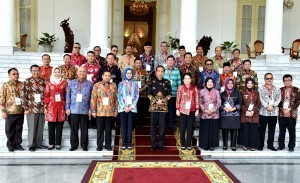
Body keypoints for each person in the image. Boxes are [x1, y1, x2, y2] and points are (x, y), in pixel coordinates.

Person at [66, 67, 93, 151]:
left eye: (84, 71)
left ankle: (84, 145)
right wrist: (67, 107)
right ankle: (74, 145)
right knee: (74, 128)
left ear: (86, 73)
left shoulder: (90, 84)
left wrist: (90, 109)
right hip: (73, 109)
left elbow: (92, 98)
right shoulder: (71, 83)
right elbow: (68, 96)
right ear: (77, 72)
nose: (82, 73)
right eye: (80, 71)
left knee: (84, 129)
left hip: (85, 110)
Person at [22, 65, 47, 152]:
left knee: (40, 127)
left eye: (37, 70)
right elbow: (23, 96)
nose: (36, 72)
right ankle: (31, 144)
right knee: (32, 127)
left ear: (40, 71)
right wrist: (25, 108)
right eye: (34, 71)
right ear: (31, 71)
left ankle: (39, 143)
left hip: (41, 108)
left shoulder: (43, 81)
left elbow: (46, 94)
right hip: (31, 108)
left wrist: (46, 106)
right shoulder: (27, 81)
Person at [91, 71, 118, 151]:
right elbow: (93, 98)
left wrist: (116, 110)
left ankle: (108, 145)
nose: (107, 77)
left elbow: (116, 99)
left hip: (110, 111)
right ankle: (99, 145)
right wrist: (93, 111)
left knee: (108, 130)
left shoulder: (113, 86)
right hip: (100, 111)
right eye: (105, 75)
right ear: (102, 76)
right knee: (100, 130)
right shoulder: (97, 85)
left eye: (109, 76)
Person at [148, 65, 172, 151]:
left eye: (162, 71)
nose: (160, 73)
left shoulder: (167, 82)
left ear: (164, 72)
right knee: (153, 126)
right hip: (153, 107)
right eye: (159, 71)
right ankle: (154, 144)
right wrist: (155, 101)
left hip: (163, 107)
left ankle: (161, 144)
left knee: (162, 126)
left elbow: (170, 94)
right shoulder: (152, 81)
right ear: (156, 72)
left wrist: (163, 101)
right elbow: (149, 94)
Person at [0, 68, 25, 152]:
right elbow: (2, 99)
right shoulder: (6, 85)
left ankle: (18, 144)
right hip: (10, 111)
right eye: (13, 74)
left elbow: (25, 97)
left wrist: (25, 108)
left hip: (20, 110)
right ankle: (10, 144)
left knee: (19, 129)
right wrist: (3, 111)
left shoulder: (22, 84)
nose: (16, 75)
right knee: (9, 129)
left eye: (17, 74)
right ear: (9, 75)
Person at [44, 68, 68, 150]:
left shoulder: (64, 82)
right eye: (55, 72)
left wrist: (66, 106)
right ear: (53, 73)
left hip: (61, 106)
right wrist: (45, 106)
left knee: (59, 126)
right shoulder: (49, 82)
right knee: (51, 126)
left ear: (61, 73)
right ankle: (51, 143)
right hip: (51, 107)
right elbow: (46, 94)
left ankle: (58, 143)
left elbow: (66, 94)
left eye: (58, 72)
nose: (57, 73)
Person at [176, 73, 199, 150]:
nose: (187, 80)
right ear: (183, 80)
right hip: (182, 110)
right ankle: (182, 143)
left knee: (190, 128)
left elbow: (196, 99)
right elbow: (178, 99)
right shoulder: (180, 88)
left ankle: (188, 144)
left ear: (191, 79)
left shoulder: (194, 88)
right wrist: (177, 109)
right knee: (182, 128)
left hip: (192, 110)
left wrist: (197, 109)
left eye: (189, 78)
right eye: (185, 78)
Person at [258, 73, 281, 151]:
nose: (269, 80)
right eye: (267, 78)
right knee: (262, 129)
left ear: (272, 79)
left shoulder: (277, 89)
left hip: (273, 113)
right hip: (263, 112)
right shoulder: (260, 88)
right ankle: (261, 144)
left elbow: (279, 99)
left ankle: (270, 145)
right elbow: (260, 98)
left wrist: (273, 106)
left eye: (270, 78)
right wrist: (267, 106)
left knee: (272, 129)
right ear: (265, 79)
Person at [278, 74, 300, 152]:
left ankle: (291, 146)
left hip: (292, 114)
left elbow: (298, 102)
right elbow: (278, 101)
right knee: (282, 130)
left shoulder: (296, 90)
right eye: (285, 80)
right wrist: (283, 109)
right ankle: (281, 145)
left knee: (292, 131)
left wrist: (290, 109)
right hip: (282, 113)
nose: (287, 82)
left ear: (291, 81)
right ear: (283, 81)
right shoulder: (280, 90)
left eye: (289, 80)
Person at [118, 68, 139, 150]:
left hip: (132, 108)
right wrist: (124, 106)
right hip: (123, 108)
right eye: (127, 73)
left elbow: (137, 96)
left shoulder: (135, 84)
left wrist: (131, 107)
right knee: (123, 126)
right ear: (125, 74)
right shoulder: (121, 84)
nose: (129, 74)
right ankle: (124, 142)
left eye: (130, 73)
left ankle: (129, 143)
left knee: (130, 126)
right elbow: (119, 96)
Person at [238, 78, 261, 151]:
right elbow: (240, 104)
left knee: (253, 130)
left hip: (254, 114)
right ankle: (245, 145)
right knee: (245, 130)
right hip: (245, 114)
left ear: (253, 84)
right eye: (248, 83)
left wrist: (253, 111)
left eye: (251, 83)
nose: (249, 84)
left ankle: (252, 145)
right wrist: (246, 111)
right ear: (246, 84)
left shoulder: (256, 92)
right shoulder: (242, 92)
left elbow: (258, 103)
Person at [199, 77, 221, 151]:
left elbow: (219, 102)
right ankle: (205, 145)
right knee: (205, 130)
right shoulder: (201, 91)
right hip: (205, 114)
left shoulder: (217, 91)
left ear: (213, 83)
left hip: (214, 114)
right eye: (208, 82)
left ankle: (212, 145)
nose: (210, 83)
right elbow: (200, 102)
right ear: (205, 83)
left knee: (213, 130)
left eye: (211, 82)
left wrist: (213, 110)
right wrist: (205, 110)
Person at [220, 78, 242, 151]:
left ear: (233, 85)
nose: (230, 85)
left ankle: (233, 145)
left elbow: (240, 103)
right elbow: (219, 103)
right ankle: (225, 145)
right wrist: (223, 107)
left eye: (231, 83)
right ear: (226, 84)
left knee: (234, 130)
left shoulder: (237, 93)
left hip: (234, 115)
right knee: (225, 130)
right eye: (228, 83)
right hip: (225, 115)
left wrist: (234, 108)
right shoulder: (222, 94)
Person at [164, 55, 182, 130]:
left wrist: (179, 92)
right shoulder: (163, 70)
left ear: (174, 62)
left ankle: (171, 124)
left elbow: (179, 82)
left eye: (172, 60)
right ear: (166, 61)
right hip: (164, 94)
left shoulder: (177, 70)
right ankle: (164, 124)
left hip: (174, 94)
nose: (170, 61)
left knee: (172, 110)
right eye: (169, 60)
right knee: (164, 110)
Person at [133, 58, 150, 129]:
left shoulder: (145, 72)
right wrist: (135, 90)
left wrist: (142, 89)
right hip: (133, 95)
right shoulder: (131, 72)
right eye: (137, 63)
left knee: (141, 110)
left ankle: (141, 123)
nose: (138, 64)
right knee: (133, 109)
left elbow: (148, 82)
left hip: (143, 94)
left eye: (140, 63)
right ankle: (133, 124)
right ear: (134, 64)